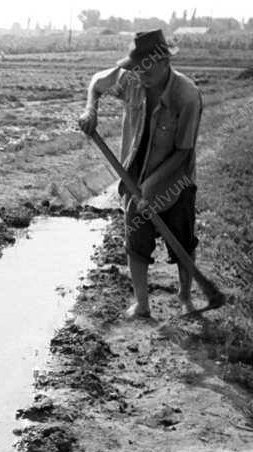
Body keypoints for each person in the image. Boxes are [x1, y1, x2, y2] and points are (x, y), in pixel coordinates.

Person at [78, 29, 203, 318]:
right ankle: (142, 304)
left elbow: (184, 151)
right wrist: (90, 111)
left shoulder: (187, 96)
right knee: (136, 240)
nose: (138, 73)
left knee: (182, 240)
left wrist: (152, 186)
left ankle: (185, 298)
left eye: (143, 67)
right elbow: (96, 84)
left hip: (176, 180)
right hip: (134, 175)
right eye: (134, 67)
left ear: (162, 62)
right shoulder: (130, 78)